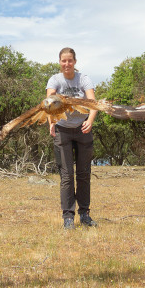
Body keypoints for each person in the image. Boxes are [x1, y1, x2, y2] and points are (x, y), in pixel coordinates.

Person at [46, 47, 98, 230]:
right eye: (63, 61)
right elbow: (49, 104)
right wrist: (51, 122)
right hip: (63, 131)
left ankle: (84, 214)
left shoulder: (83, 79)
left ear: (75, 62)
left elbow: (93, 103)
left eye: (70, 60)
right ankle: (68, 216)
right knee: (67, 176)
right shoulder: (55, 80)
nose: (66, 64)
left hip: (83, 130)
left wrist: (90, 121)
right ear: (59, 62)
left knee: (83, 174)